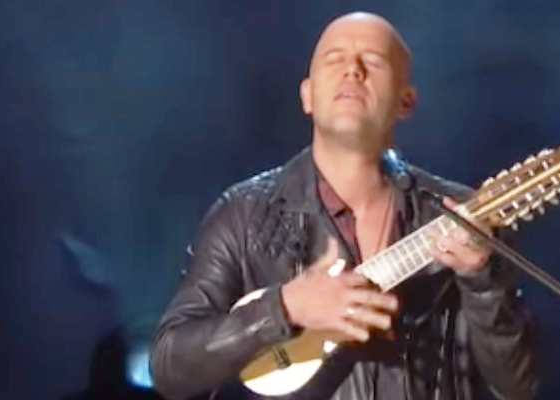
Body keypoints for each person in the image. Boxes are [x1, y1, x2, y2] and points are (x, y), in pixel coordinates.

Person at [150, 11, 537, 400]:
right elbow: (169, 367)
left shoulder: (457, 214)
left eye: (373, 61)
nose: (353, 70)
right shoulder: (243, 214)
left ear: (405, 101)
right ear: (307, 96)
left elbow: (519, 384)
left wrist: (483, 281)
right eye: (334, 59)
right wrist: (283, 308)